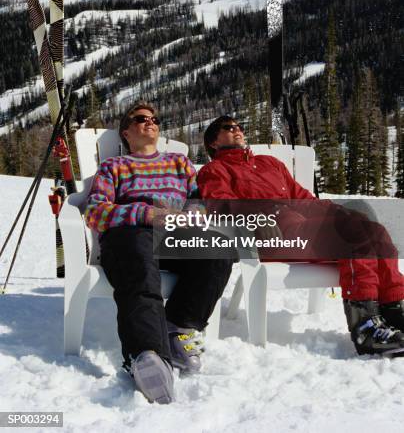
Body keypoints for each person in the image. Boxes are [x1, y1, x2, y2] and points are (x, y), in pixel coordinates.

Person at [197, 115, 404, 357]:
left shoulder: (270, 163)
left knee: (373, 230)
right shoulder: (215, 170)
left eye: (239, 126)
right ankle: (365, 327)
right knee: (354, 235)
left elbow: (304, 200)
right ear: (213, 142)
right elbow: (220, 206)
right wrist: (257, 216)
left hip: (302, 228)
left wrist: (340, 212)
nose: (237, 130)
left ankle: (394, 310)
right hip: (270, 236)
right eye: (228, 128)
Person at [84, 103, 233, 404]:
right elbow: (95, 213)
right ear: (126, 132)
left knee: (220, 247)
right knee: (140, 268)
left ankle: (180, 326)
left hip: (175, 232)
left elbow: (198, 201)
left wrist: (191, 215)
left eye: (154, 119)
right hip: (131, 234)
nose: (150, 123)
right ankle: (147, 354)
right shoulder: (113, 167)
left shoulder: (180, 163)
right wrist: (146, 213)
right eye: (141, 119)